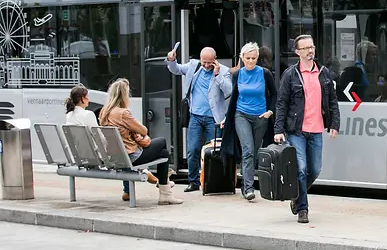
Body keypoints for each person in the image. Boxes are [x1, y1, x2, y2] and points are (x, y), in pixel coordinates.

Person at [273, 34, 340, 224]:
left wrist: (334, 123)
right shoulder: (290, 74)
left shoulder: (324, 73)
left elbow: (332, 101)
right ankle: (303, 209)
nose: (310, 51)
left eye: (312, 47)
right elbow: (281, 103)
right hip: (296, 130)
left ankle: (296, 194)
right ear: (297, 52)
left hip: (316, 128)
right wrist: (278, 129)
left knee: (315, 169)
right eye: (306, 48)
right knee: (300, 169)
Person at [99, 78, 182, 205]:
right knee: (162, 143)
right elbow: (143, 130)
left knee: (164, 153)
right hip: (131, 156)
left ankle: (162, 188)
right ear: (124, 95)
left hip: (117, 157)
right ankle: (164, 190)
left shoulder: (104, 112)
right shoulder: (122, 113)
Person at [167, 46, 232, 193]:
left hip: (213, 118)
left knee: (213, 151)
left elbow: (229, 91)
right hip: (195, 116)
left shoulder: (223, 71)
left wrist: (217, 76)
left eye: (210, 62)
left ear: (215, 60)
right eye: (204, 62)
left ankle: (210, 182)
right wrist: (171, 60)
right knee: (193, 149)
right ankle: (193, 181)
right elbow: (176, 69)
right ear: (200, 59)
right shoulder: (193, 66)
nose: (207, 65)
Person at [222, 42, 277, 202]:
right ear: (242, 58)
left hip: (261, 117)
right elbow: (233, 97)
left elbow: (274, 94)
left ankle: (249, 182)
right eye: (248, 58)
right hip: (241, 115)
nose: (251, 61)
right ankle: (248, 188)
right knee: (248, 150)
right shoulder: (237, 75)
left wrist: (270, 111)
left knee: (255, 151)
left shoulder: (265, 73)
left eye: (254, 58)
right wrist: (227, 117)